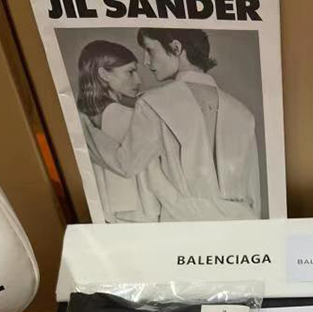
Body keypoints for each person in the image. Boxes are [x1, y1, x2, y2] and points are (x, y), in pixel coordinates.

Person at [82, 29, 261, 222]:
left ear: (176, 48)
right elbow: (253, 197)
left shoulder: (154, 102)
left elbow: (125, 163)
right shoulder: (243, 113)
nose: (146, 61)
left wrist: (85, 130)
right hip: (241, 224)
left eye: (150, 50)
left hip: (183, 226)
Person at [76, 40, 160, 222]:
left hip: (110, 215)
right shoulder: (121, 114)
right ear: (104, 74)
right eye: (130, 71)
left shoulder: (84, 116)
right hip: (139, 217)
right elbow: (145, 176)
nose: (139, 80)